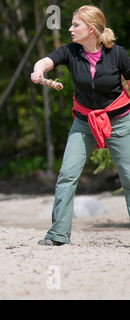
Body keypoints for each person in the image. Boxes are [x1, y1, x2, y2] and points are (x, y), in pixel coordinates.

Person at [30, 5, 130, 246]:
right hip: (84, 122)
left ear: (91, 29)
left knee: (129, 176)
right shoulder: (70, 52)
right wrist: (38, 69)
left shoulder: (118, 54)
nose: (70, 29)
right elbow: (47, 60)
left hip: (120, 120)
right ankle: (58, 235)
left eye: (76, 25)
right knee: (67, 174)